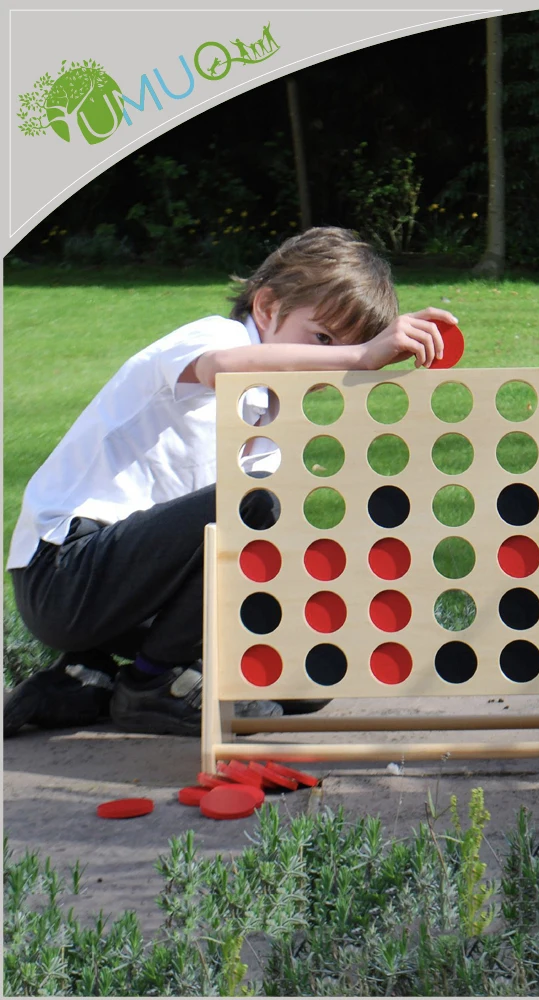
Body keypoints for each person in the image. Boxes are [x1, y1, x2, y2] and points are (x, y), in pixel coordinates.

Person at [5, 227, 456, 738]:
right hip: (65, 573)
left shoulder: (269, 415)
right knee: (255, 500)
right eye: (322, 340)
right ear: (267, 307)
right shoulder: (218, 337)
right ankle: (152, 682)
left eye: (343, 350)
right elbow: (221, 369)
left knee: (308, 680)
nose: (328, 363)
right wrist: (360, 357)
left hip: (138, 593)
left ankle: (85, 679)